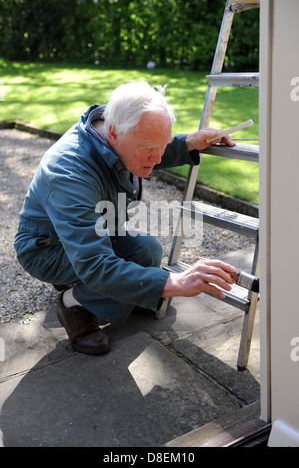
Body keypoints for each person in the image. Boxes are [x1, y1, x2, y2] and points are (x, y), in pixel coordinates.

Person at [14, 81, 237, 356]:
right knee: (125, 267)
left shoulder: (114, 131)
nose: (156, 159)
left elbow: (148, 146)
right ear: (114, 133)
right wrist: (176, 283)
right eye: (148, 149)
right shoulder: (69, 172)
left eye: (163, 146)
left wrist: (188, 142)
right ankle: (73, 302)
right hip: (47, 249)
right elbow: (96, 265)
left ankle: (104, 290)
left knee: (148, 250)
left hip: (94, 229)